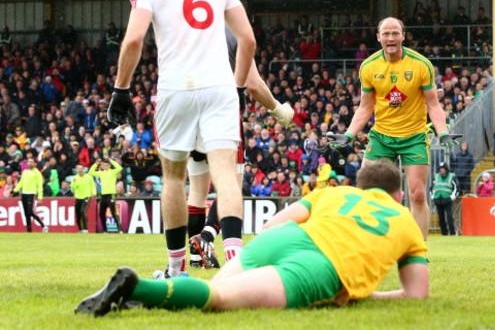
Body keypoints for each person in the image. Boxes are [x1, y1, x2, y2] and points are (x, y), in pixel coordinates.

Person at [75, 159, 428, 316]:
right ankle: (136, 288)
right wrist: (364, 293)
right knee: (219, 300)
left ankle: (141, 298)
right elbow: (416, 294)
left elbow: (275, 223)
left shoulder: (335, 193)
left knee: (214, 293)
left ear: (359, 186)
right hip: (321, 264)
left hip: (284, 238)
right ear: (398, 196)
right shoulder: (406, 222)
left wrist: (264, 253)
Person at [107, 0, 258, 277]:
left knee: (174, 178)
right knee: (225, 175)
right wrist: (237, 87)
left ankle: (176, 269)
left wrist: (121, 89)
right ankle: (237, 263)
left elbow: (133, 40)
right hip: (220, 86)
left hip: (176, 88)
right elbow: (248, 40)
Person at [325, 17, 461, 239]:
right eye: (386, 34)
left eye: (395, 33)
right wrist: (349, 134)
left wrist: (443, 132)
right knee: (367, 190)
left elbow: (433, 104)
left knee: (417, 194)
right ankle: (369, 245)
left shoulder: (420, 64)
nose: (391, 38)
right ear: (378, 37)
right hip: (381, 137)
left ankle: (418, 252)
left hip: (414, 136)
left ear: (403, 36)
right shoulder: (369, 67)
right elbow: (365, 107)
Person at [186, 28, 294, 270]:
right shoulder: (234, 33)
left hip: (188, 112)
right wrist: (279, 109)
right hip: (221, 112)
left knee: (196, 191)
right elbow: (254, 85)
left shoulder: (186, 30)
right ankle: (234, 261)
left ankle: (197, 253)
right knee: (231, 187)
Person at [12, 158, 48, 233]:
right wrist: (14, 191)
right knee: (26, 214)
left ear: (35, 164)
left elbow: (39, 185)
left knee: (30, 212)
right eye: (28, 162)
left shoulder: (37, 173)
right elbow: (21, 183)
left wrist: (40, 197)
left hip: (31, 194)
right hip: (24, 194)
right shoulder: (25, 172)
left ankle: (43, 225)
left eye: (31, 162)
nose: (30, 163)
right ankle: (29, 231)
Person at [89, 158, 123, 233]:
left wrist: (111, 160)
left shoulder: (113, 172)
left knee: (113, 212)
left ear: (109, 166)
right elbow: (90, 172)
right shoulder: (101, 173)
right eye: (104, 165)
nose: (105, 166)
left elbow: (120, 168)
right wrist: (96, 164)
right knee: (101, 213)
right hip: (103, 195)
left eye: (107, 165)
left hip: (111, 194)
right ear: (102, 166)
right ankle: (105, 230)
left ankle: (119, 229)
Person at [431, 162, 457, 236]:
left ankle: (452, 233)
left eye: (443, 169)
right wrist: (433, 196)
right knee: (441, 218)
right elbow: (432, 187)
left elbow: (456, 187)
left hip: (447, 199)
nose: (441, 170)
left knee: (449, 217)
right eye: (440, 169)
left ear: (446, 169)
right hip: (438, 199)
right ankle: (444, 233)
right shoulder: (436, 176)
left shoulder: (452, 176)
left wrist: (452, 197)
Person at [71, 164, 95, 233]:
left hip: (86, 196)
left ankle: (85, 229)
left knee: (83, 211)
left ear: (84, 169)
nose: (80, 170)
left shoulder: (89, 177)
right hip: (78, 197)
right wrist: (74, 184)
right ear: (76, 170)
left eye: (81, 168)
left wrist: (93, 193)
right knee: (78, 214)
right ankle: (80, 229)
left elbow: (93, 185)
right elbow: (72, 189)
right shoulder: (75, 178)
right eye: (78, 169)